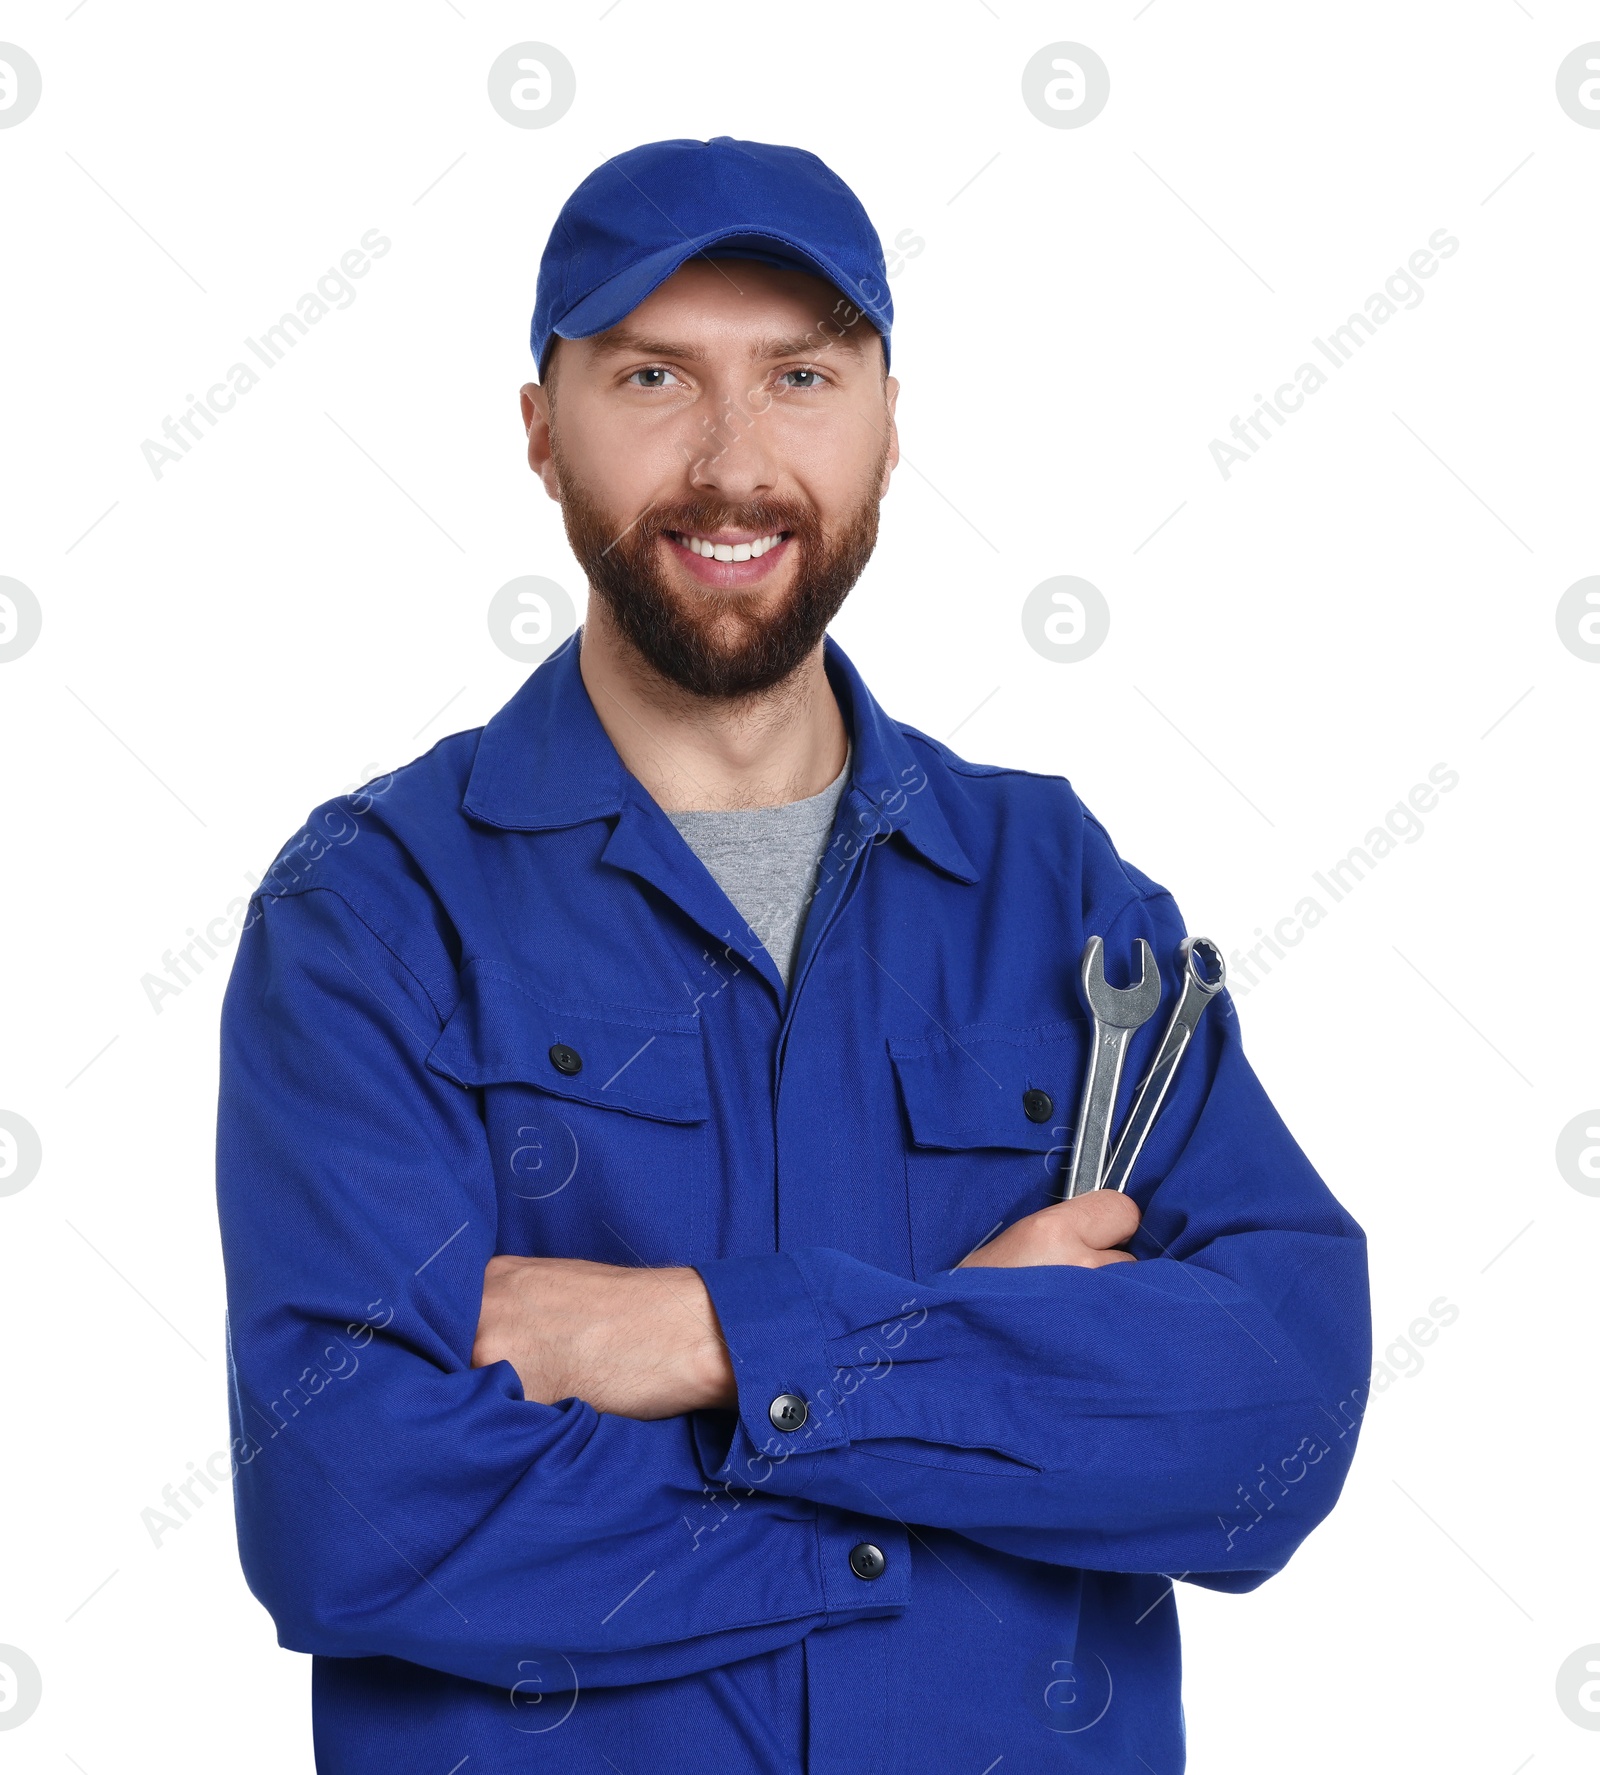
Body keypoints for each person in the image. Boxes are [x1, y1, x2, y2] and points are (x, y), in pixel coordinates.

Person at [215, 135, 1371, 1773]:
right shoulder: (369, 914)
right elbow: (347, 1505)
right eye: (653, 376)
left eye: (803, 375)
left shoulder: (1054, 889)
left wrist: (709, 1338)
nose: (734, 461)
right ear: (541, 430)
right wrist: (965, 1409)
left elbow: (1280, 1415)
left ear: (892, 423)